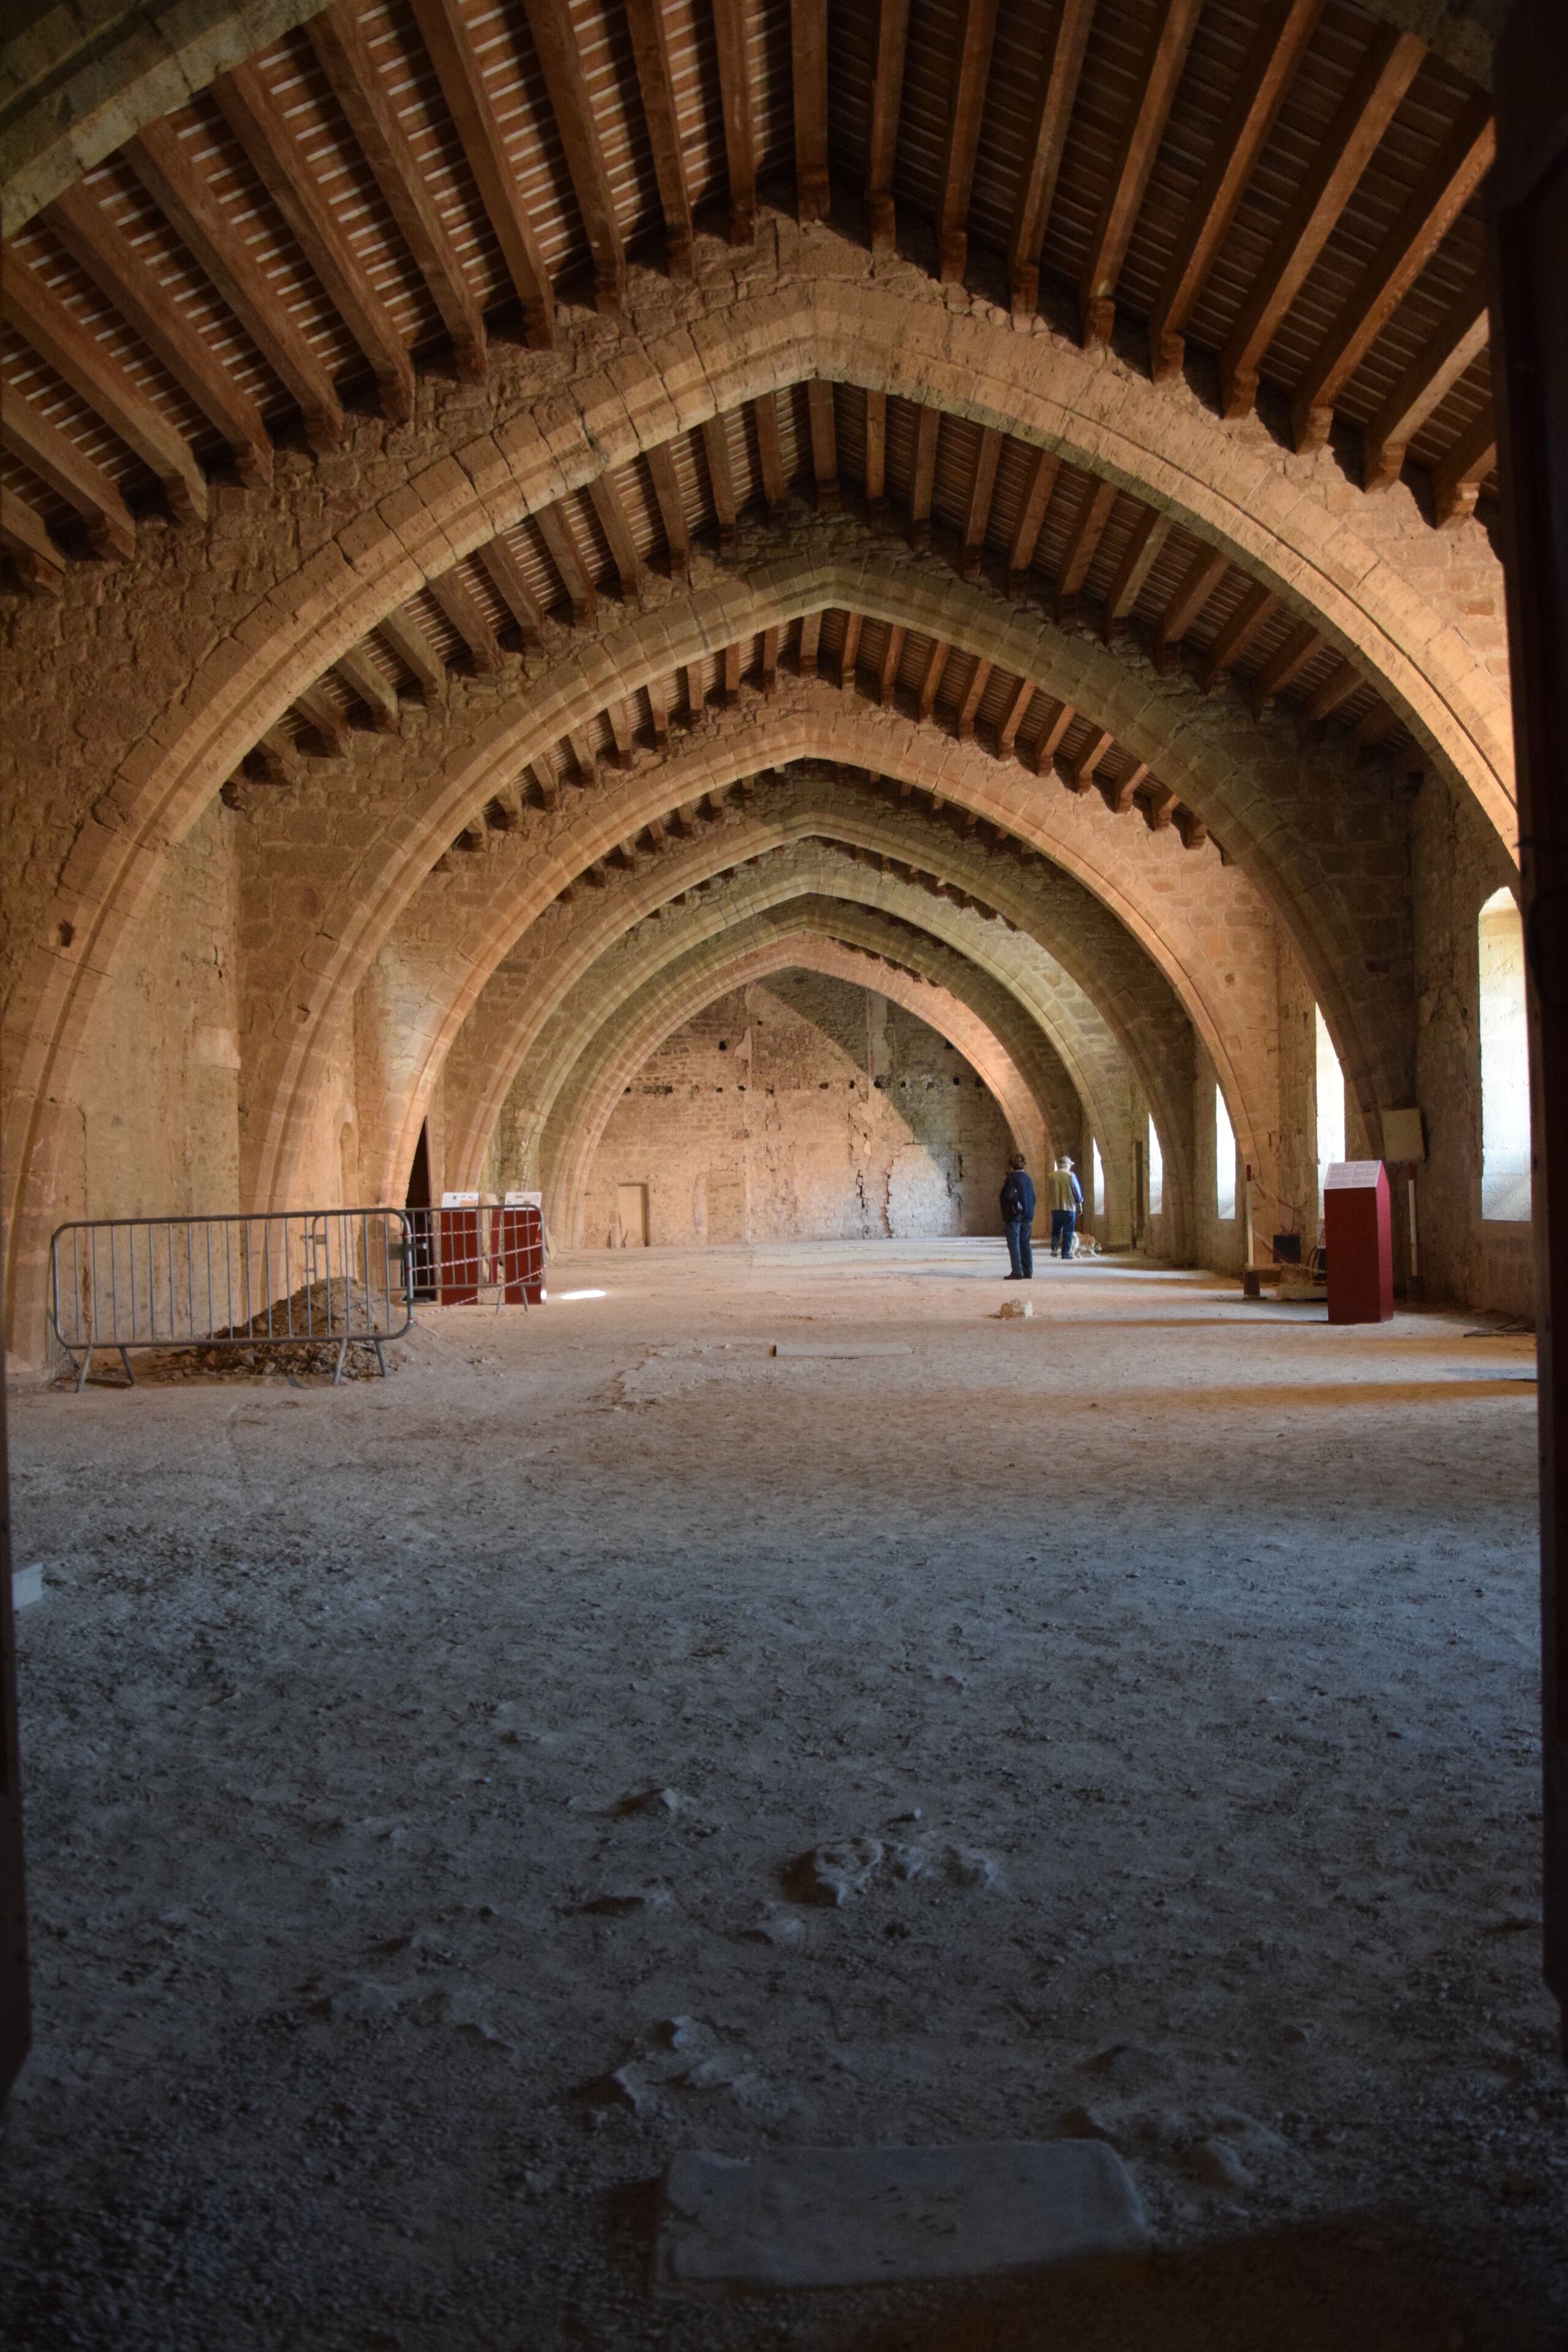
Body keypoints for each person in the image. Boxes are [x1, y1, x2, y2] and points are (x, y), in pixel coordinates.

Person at [1000, 1153, 1036, 1280]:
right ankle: (1028, 1271)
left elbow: (1008, 1196)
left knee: (1014, 1243)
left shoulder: (1012, 1178)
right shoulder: (1027, 1178)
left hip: (1014, 1216)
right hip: (1028, 1215)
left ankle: (1017, 1271)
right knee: (1025, 1243)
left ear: (1011, 1165)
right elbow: (1034, 1198)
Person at [1047, 1155, 1084, 1259]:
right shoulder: (1071, 1176)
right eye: (1069, 1165)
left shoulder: (1051, 1176)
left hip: (1055, 1208)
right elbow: (1076, 1192)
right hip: (1068, 1208)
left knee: (1056, 1230)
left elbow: (1049, 1192)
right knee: (1068, 1232)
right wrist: (1079, 1204)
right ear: (1066, 1165)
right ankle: (1065, 1254)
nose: (1070, 1167)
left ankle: (1054, 1249)